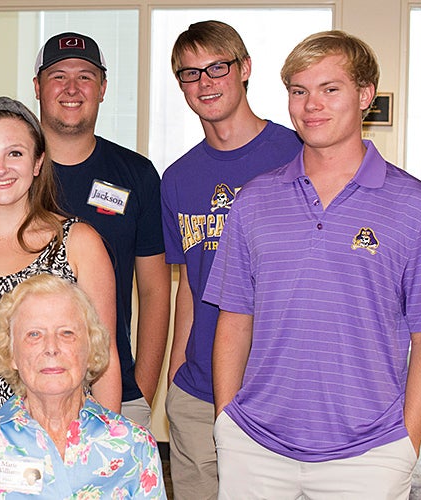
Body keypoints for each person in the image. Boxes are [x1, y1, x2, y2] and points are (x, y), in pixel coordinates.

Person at [205, 30, 421, 498]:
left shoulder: (413, 205)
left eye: (330, 89)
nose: (311, 105)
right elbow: (235, 318)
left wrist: (408, 440)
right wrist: (227, 420)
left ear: (365, 95)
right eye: (299, 91)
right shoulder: (255, 200)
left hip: (371, 453)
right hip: (254, 447)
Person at [0, 96, 121, 499]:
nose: (0, 168)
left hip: (56, 435)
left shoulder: (77, 244)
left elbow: (105, 357)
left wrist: (105, 450)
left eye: (15, 153)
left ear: (37, 163)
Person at [159, 20, 302, 499]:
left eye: (217, 68)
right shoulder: (178, 178)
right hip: (196, 394)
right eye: (190, 73)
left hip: (281, 390)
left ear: (245, 69)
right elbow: (189, 286)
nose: (205, 83)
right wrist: (176, 376)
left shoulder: (298, 154)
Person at [33, 32, 170, 429]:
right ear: (38, 87)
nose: (72, 88)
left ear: (103, 88)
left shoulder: (137, 175)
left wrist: (140, 389)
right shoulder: (11, 173)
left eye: (86, 77)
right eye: (58, 76)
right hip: (24, 393)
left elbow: (155, 289)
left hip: (117, 393)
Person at [0, 274, 165, 499]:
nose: (51, 348)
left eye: (66, 333)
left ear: (90, 349)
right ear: (12, 354)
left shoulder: (135, 445)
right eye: (34, 334)